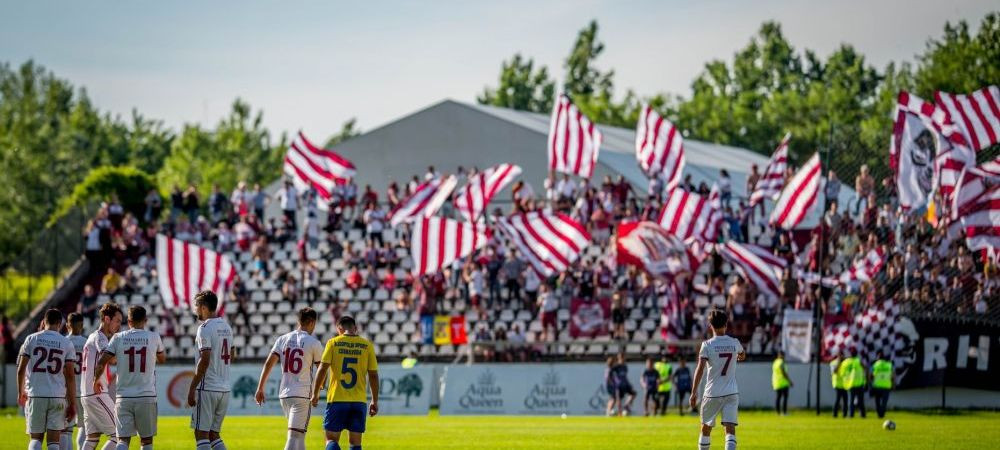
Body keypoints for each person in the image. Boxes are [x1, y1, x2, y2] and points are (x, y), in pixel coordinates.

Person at [93, 306, 166, 450]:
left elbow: (101, 362)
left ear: (129, 321)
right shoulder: (154, 337)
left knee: (122, 441)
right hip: (146, 396)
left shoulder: (118, 338)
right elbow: (163, 359)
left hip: (123, 397)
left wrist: (96, 381)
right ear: (145, 320)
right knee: (146, 441)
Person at [254, 308, 325, 450]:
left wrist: (260, 387)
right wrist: (321, 385)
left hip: (285, 395)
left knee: (299, 436)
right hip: (302, 394)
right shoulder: (314, 343)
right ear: (312, 322)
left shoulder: (282, 339)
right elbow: (321, 369)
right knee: (294, 437)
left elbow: (269, 363)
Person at [312, 315, 379, 450]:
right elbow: (373, 375)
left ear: (339, 329)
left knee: (331, 439)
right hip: (359, 401)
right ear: (355, 328)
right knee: (355, 443)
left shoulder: (333, 343)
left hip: (337, 399)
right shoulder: (367, 345)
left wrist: (315, 393)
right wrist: (374, 401)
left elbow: (322, 369)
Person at [17, 308, 78, 450]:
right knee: (53, 442)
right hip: (57, 395)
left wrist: (21, 392)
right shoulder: (66, 343)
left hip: (35, 394)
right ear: (60, 323)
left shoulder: (31, 339)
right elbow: (70, 376)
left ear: (44, 321)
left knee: (36, 438)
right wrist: (72, 403)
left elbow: (21, 370)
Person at [690, 309, 745, 450]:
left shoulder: (707, 345)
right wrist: (740, 356)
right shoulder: (734, 342)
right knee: (730, 429)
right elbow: (742, 354)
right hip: (731, 392)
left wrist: (694, 392)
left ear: (710, 326)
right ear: (726, 324)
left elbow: (700, 369)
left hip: (712, 393)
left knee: (706, 429)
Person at [186, 291, 234, 450]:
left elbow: (204, 360)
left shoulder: (204, 328)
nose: (195, 310)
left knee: (201, 434)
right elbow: (232, 354)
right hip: (224, 389)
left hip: (207, 388)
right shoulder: (227, 327)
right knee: (214, 435)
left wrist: (192, 388)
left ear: (204, 307)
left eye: (196, 307)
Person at [79, 303, 124, 450]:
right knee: (120, 434)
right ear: (106, 319)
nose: (119, 325)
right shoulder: (100, 337)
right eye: (117, 320)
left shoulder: (92, 336)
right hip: (97, 392)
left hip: (87, 394)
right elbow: (109, 358)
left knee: (92, 438)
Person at [65, 313, 89, 450]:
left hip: (67, 391)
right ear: (82, 325)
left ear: (68, 325)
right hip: (84, 391)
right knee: (84, 427)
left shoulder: (63, 342)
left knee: (67, 431)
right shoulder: (87, 343)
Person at [840, 348, 867, 418]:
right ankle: (862, 414)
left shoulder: (845, 362)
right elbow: (865, 368)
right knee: (860, 401)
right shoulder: (858, 361)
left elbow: (842, 373)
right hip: (859, 383)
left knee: (850, 401)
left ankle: (851, 415)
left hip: (850, 384)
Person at [871, 351, 894, 419]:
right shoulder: (889, 365)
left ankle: (879, 414)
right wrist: (893, 383)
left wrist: (871, 382)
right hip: (886, 386)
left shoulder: (875, 365)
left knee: (877, 401)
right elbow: (892, 375)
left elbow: (872, 375)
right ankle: (882, 414)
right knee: (884, 402)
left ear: (878, 358)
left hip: (877, 385)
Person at [771, 351, 792, 416]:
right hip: (783, 382)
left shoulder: (775, 362)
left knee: (778, 398)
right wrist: (789, 381)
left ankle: (778, 412)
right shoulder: (781, 362)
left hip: (776, 382)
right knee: (785, 398)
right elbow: (783, 372)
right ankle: (784, 412)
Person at [830, 352, 848, 418]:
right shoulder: (833, 363)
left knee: (845, 400)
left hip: (844, 384)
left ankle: (845, 414)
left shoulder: (845, 363)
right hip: (837, 384)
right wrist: (839, 362)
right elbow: (834, 371)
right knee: (838, 399)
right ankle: (835, 414)